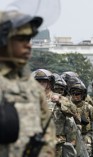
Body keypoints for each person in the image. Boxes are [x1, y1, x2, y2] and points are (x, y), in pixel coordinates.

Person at [0, 10, 56, 156]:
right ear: (3, 40)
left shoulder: (33, 89)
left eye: (29, 39)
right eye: (21, 39)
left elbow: (48, 138)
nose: (29, 45)